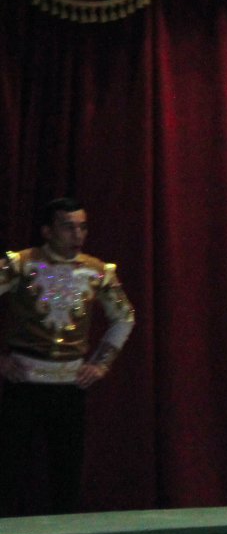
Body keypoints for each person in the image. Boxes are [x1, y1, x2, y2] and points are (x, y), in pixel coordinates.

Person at [0, 198, 135, 515]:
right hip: (24, 382)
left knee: (67, 472)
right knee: (9, 469)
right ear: (47, 231)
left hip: (70, 386)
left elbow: (124, 317)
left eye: (82, 227)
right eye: (68, 227)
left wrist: (101, 363)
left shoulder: (97, 270)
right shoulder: (21, 264)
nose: (77, 234)